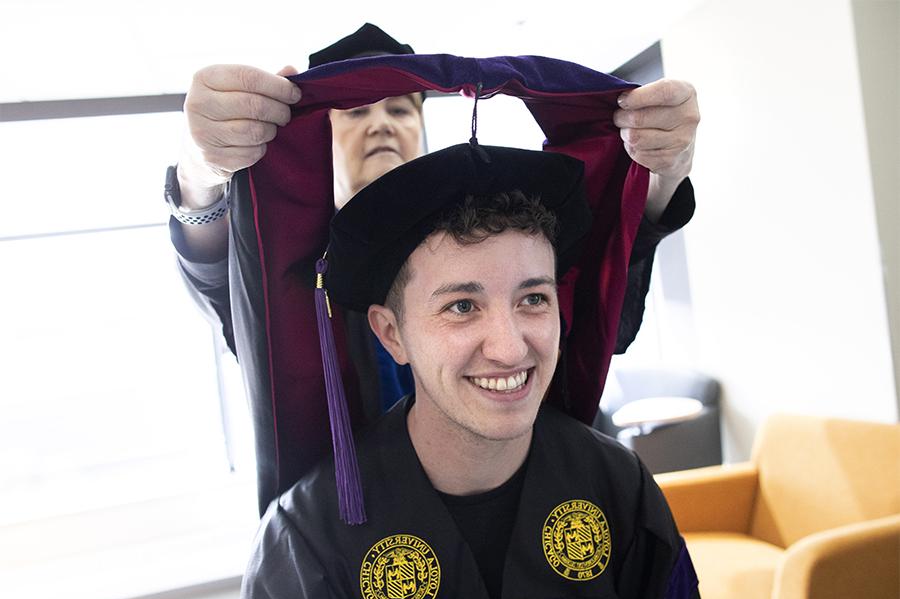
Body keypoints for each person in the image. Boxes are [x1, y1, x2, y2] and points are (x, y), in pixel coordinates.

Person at [165, 23, 701, 512]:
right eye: (356, 112)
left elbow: (604, 302)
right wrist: (204, 169)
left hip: (545, 503)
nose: (381, 126)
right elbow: (218, 274)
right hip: (368, 530)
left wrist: (662, 177)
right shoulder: (292, 276)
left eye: (399, 110)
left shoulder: (493, 232)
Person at [240, 143, 702, 599]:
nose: (509, 348)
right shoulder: (305, 540)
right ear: (391, 334)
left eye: (534, 299)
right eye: (462, 307)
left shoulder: (618, 485)